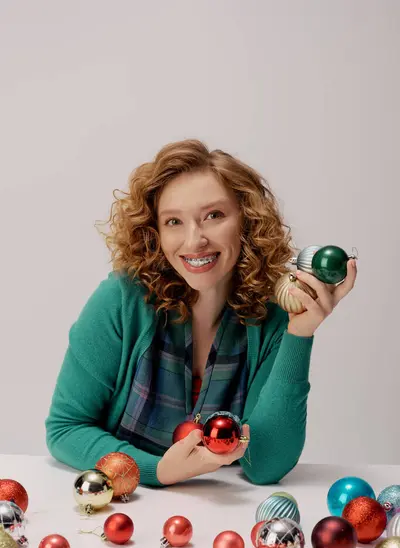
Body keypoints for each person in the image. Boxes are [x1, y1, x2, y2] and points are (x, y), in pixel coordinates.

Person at [45, 139, 357, 487]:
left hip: (222, 514)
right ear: (156, 233)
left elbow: (265, 464)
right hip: (126, 505)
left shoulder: (272, 316)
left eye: (214, 216)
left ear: (247, 221)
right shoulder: (121, 300)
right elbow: (65, 428)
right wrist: (156, 471)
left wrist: (301, 333)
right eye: (174, 221)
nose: (194, 241)